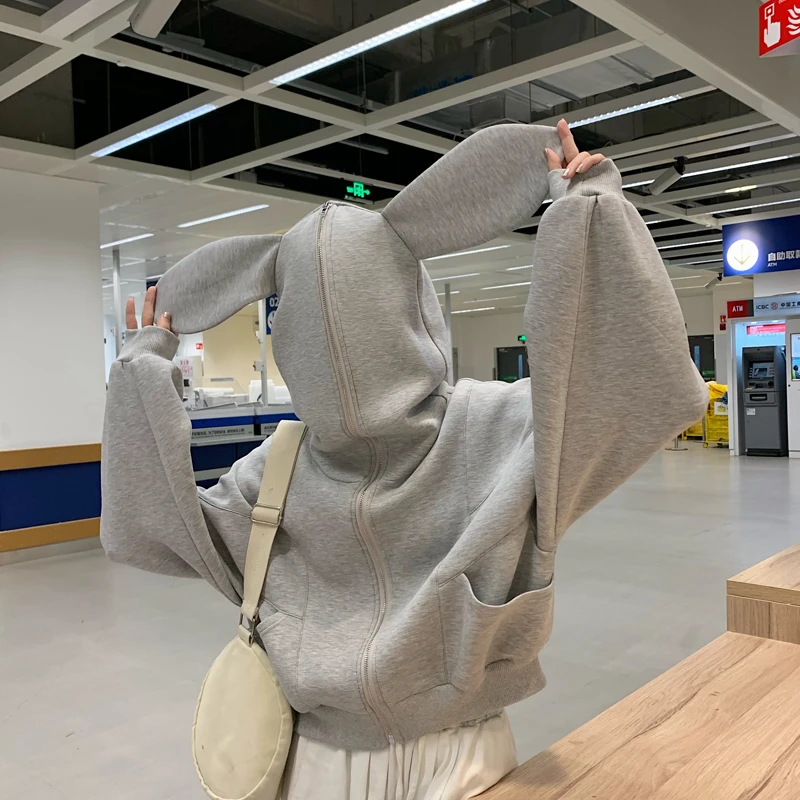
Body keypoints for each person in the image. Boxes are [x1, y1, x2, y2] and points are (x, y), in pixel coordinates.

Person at [101, 121, 707, 800]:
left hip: (375, 757)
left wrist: (140, 369)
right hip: (410, 750)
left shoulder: (491, 430)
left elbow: (649, 387)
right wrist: (590, 216)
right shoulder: (288, 469)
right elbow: (644, 388)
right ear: (413, 307)